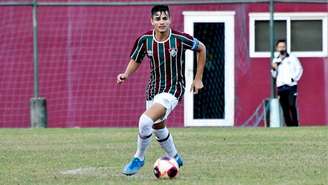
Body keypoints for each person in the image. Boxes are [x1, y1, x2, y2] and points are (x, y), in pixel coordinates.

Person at [117, 5, 206, 176]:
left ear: (170, 20)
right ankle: (174, 156)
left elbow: (201, 48)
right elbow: (136, 59)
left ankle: (139, 158)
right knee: (157, 126)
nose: (162, 21)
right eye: (157, 19)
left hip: (173, 89)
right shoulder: (145, 40)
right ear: (152, 21)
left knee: (145, 121)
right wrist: (126, 74)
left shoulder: (179, 39)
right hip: (153, 89)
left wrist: (197, 78)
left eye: (165, 18)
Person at [271, 39, 303, 127]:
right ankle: (289, 126)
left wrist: (293, 79)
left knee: (292, 105)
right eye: (280, 47)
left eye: (283, 47)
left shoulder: (292, 58)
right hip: (281, 87)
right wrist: (274, 68)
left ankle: (295, 125)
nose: (282, 48)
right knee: (285, 108)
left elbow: (300, 69)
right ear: (277, 48)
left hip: (291, 86)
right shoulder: (275, 60)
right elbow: (274, 75)